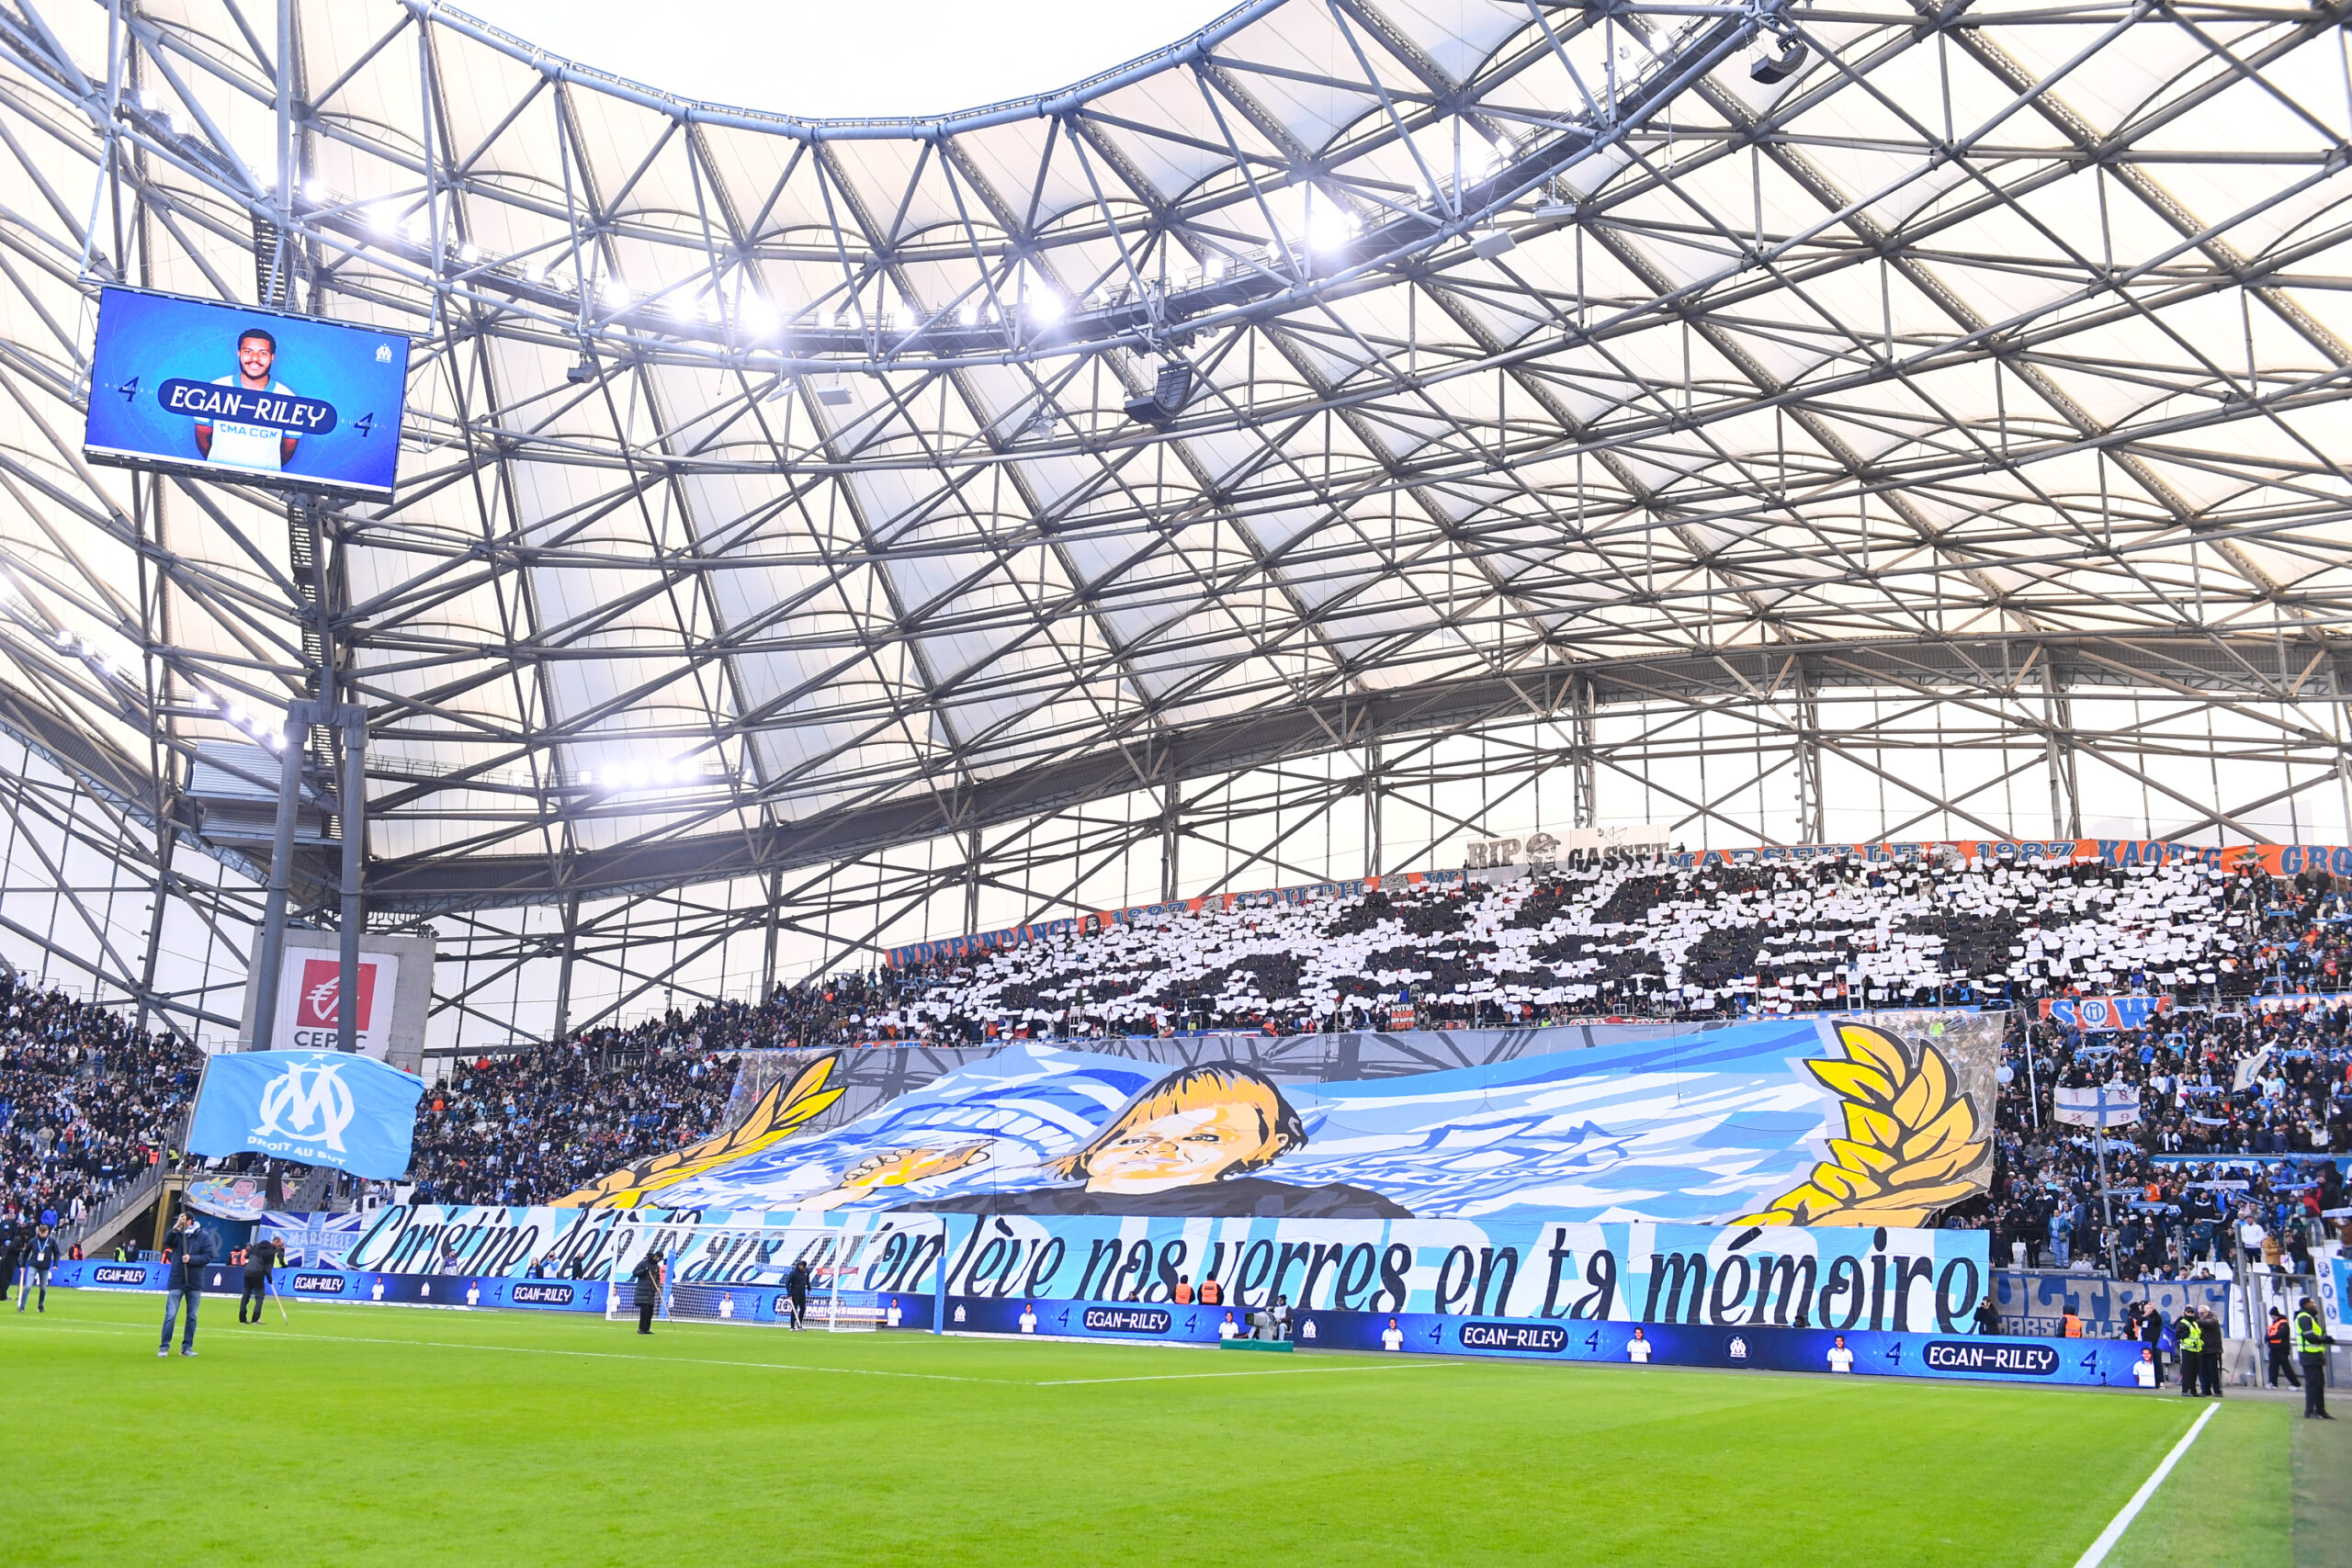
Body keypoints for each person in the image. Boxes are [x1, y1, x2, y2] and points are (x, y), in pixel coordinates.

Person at [898, 1062, 1409, 1217]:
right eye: (1144, 1129)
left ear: (1254, 1156)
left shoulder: (1283, 1206)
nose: (1161, 1144)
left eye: (1206, 1136)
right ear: (1099, 1144)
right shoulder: (994, 1207)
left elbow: (1364, 1215)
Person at [193, 326, 301, 472]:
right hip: (217, 479)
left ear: (272, 357)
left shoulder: (288, 398)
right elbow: (202, 434)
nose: (254, 359)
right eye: (248, 352)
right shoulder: (216, 388)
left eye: (263, 353)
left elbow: (289, 446)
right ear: (239, 353)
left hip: (268, 486)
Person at [158, 1211, 215, 1358]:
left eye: (183, 1220)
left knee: (192, 1317)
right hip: (177, 1280)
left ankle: (187, 1347)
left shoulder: (203, 1236)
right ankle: (164, 1346)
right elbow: (167, 1241)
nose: (181, 1222)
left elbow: (208, 1256)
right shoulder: (178, 1234)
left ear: (190, 1221)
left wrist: (191, 1259)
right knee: (170, 1315)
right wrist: (176, 1227)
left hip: (194, 1282)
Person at [2295, 1297, 2335, 1418]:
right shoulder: (2304, 1318)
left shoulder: (2309, 1318)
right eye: (2312, 1303)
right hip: (2308, 1355)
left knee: (2319, 1384)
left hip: (2315, 1355)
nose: (2315, 1305)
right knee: (2312, 1384)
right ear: (2306, 1304)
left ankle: (2320, 1410)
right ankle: (2310, 1411)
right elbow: (2310, 1337)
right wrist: (2325, 1339)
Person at [239, 1234, 283, 1325]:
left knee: (245, 1295)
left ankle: (242, 1319)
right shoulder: (271, 1252)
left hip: (248, 1272)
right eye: (279, 1245)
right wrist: (270, 1280)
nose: (279, 1248)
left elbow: (246, 1256)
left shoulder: (256, 1246)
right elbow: (268, 1269)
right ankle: (255, 1319)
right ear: (275, 1243)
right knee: (260, 1296)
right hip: (258, 1273)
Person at [16, 1224, 58, 1314]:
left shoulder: (51, 1241)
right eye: (42, 1233)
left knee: (43, 1288)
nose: (44, 1235)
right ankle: (22, 1306)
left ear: (47, 1232)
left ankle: (40, 1305)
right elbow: (26, 1253)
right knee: (28, 1287)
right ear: (39, 1232)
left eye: (45, 1233)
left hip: (45, 1267)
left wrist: (55, 1264)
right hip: (33, 1265)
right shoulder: (33, 1241)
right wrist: (23, 1266)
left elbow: (57, 1253)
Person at [2267, 1308, 2301, 1390]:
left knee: (2285, 1366)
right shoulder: (2274, 1324)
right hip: (2273, 1348)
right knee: (2273, 1366)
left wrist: (2269, 1337)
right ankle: (2273, 1383)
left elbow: (2282, 1334)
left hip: (2281, 1348)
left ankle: (2295, 1384)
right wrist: (2268, 1337)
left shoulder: (2283, 1323)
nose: (2272, 1317)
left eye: (2273, 1315)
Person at [631, 1247, 663, 1336]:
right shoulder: (644, 1263)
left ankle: (647, 1329)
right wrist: (644, 1270)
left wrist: (658, 1287)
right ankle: (641, 1328)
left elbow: (657, 1278)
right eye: (659, 1258)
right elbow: (635, 1273)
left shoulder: (657, 1267)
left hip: (651, 1292)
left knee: (650, 1311)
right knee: (644, 1311)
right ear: (656, 1256)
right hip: (643, 1291)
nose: (659, 1260)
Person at [2176, 1308, 2204, 1396]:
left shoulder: (2195, 1323)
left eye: (2192, 1312)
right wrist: (2185, 1334)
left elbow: (2199, 1335)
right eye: (2189, 1312)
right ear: (2185, 1313)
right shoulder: (2182, 1323)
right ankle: (2185, 1390)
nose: (2191, 1314)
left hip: (2196, 1350)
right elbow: (2178, 1335)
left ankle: (2193, 1390)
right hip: (2187, 1350)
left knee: (2194, 1371)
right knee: (2187, 1371)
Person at [2199, 1308, 2225, 1398]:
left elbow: (2207, 1323)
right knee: (2203, 1371)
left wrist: (2195, 1320)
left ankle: (2217, 1391)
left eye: (2202, 1313)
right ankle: (2205, 1390)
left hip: (2213, 1350)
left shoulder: (2213, 1319)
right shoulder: (2201, 1321)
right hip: (2203, 1350)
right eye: (2199, 1313)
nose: (2200, 1314)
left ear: (2207, 1312)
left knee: (2213, 1372)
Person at [785, 1259, 810, 1330]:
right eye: (803, 1267)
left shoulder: (806, 1271)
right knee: (794, 1309)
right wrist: (789, 1294)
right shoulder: (793, 1273)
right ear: (800, 1266)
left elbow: (807, 1280)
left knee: (803, 1308)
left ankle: (799, 1324)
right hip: (794, 1292)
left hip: (802, 1292)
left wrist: (809, 1288)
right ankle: (792, 1326)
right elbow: (787, 1284)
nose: (804, 1269)